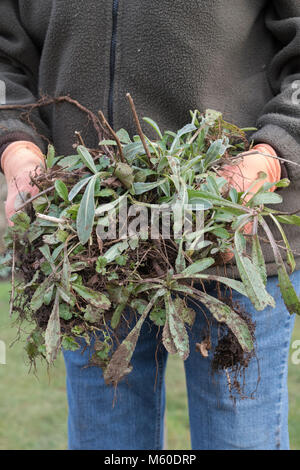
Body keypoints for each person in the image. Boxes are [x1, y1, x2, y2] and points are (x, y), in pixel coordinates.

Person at [0, 1, 299, 450]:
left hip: (229, 233)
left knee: (239, 437)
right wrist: (17, 148)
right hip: (88, 246)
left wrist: (270, 153)